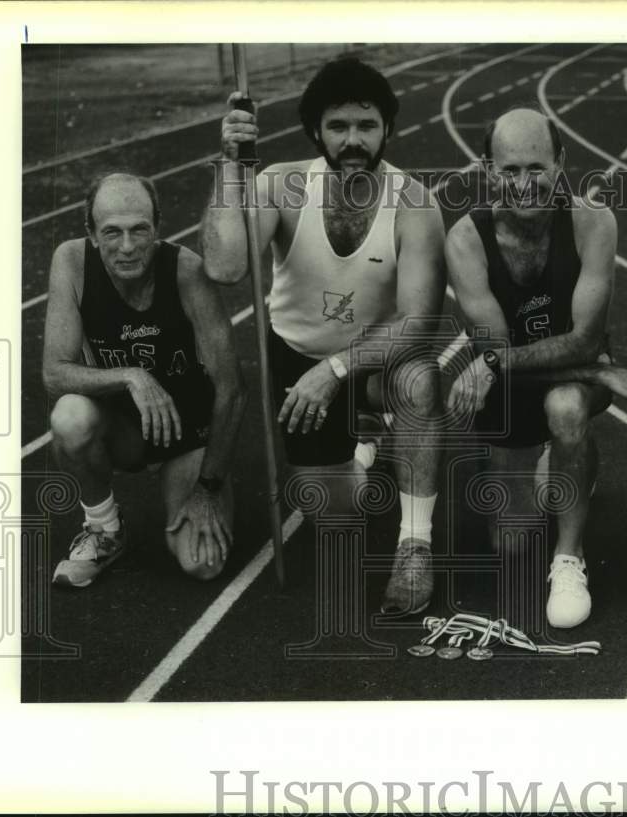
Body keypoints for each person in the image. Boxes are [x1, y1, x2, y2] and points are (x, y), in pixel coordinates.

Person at [200, 57, 445, 614]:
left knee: (420, 383)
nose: (353, 140)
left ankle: (415, 543)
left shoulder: (415, 205)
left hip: (373, 362)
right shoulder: (280, 186)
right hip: (298, 355)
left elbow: (418, 323)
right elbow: (224, 265)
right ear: (316, 131)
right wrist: (231, 164)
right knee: (337, 516)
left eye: (367, 125)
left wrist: (335, 371)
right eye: (339, 127)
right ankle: (364, 448)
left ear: (388, 128)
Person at [445, 107, 627, 629]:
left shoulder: (593, 223)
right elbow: (499, 361)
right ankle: (564, 454)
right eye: (509, 170)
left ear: (561, 163)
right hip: (523, 384)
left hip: (558, 379)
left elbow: (582, 339)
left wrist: (501, 363)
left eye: (536, 168)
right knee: (512, 542)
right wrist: (599, 372)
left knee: (564, 409)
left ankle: (569, 558)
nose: (523, 185)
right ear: (488, 170)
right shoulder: (467, 241)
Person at [43, 173, 246, 587]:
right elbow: (55, 372)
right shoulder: (71, 262)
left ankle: (203, 486)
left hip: (187, 434)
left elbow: (233, 389)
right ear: (91, 233)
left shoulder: (187, 272)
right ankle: (104, 531)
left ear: (158, 227)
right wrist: (133, 376)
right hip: (125, 430)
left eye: (140, 230)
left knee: (201, 564)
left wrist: (208, 486)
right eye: (112, 232)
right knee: (70, 417)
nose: (128, 246)